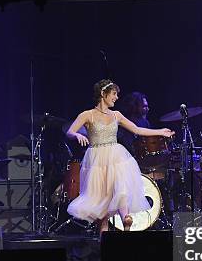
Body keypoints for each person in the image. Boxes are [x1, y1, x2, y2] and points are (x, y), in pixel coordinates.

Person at [65, 79, 174, 233]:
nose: (116, 98)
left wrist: (160, 132)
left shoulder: (116, 115)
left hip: (116, 156)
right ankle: (110, 239)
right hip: (97, 160)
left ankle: (125, 220)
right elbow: (70, 131)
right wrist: (76, 135)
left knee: (120, 189)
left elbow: (137, 129)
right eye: (114, 94)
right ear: (103, 94)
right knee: (102, 206)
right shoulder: (87, 115)